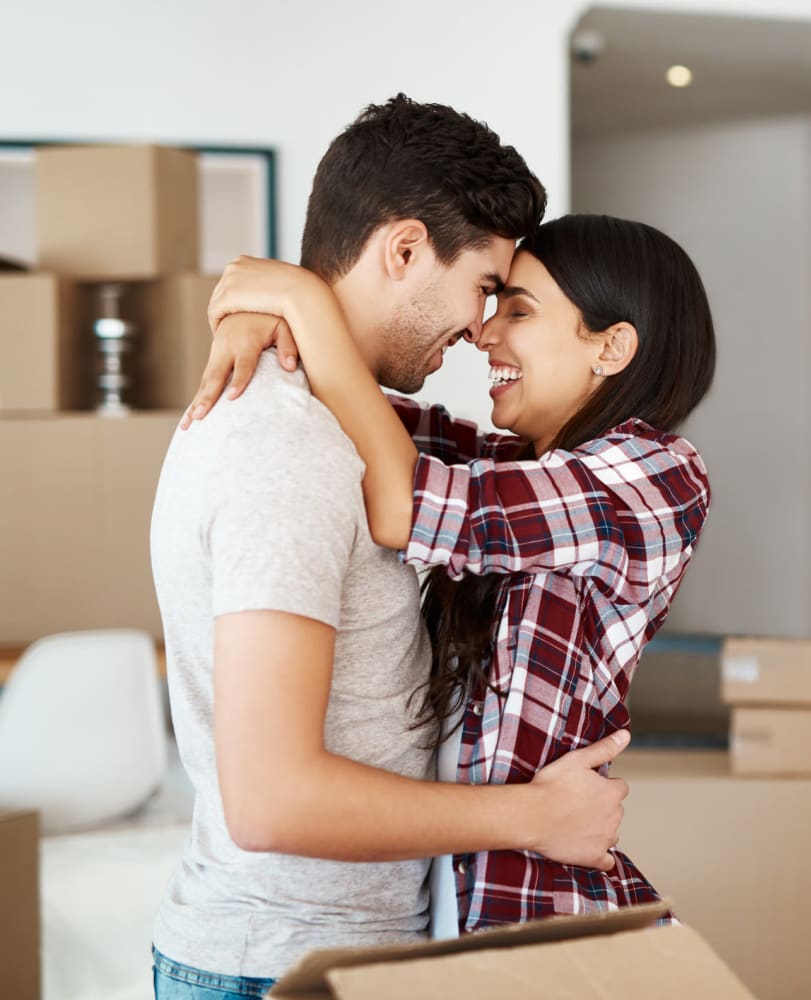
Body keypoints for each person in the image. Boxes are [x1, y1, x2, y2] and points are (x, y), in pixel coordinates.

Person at [149, 96, 632, 1000]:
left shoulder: (334, 426)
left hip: (321, 953)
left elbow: (432, 479)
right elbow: (273, 798)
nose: (481, 327)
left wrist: (285, 300)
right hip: (285, 965)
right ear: (406, 250)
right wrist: (536, 817)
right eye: (485, 287)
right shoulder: (286, 450)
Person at [186, 212, 716, 936]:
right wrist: (254, 320)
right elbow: (350, 409)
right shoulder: (515, 465)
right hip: (458, 902)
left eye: (519, 311)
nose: (486, 334)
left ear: (612, 346)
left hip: (538, 910)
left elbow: (407, 506)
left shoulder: (656, 476)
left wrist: (304, 302)